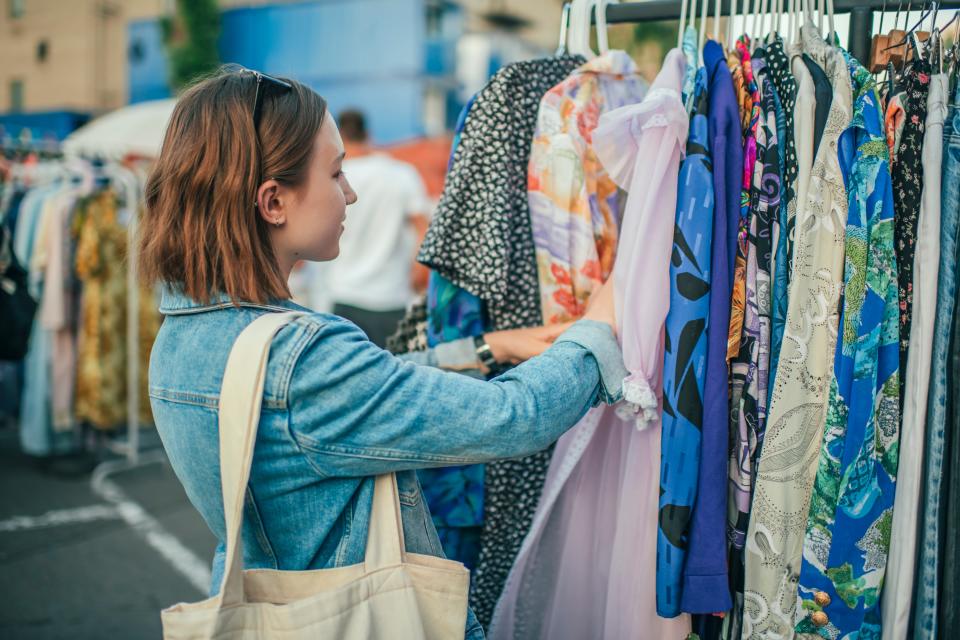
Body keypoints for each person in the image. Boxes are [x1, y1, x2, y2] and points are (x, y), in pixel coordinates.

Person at [139, 67, 623, 640]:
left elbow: (342, 404)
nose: (350, 191)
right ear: (273, 201)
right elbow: (514, 419)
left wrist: (485, 348)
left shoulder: (183, 334)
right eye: (336, 172)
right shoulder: (305, 357)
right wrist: (598, 326)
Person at [324, 109, 430, 346]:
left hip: (344, 294)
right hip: (391, 297)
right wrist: (418, 272)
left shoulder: (333, 179)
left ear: (339, 137)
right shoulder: (401, 174)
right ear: (368, 134)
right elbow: (423, 229)